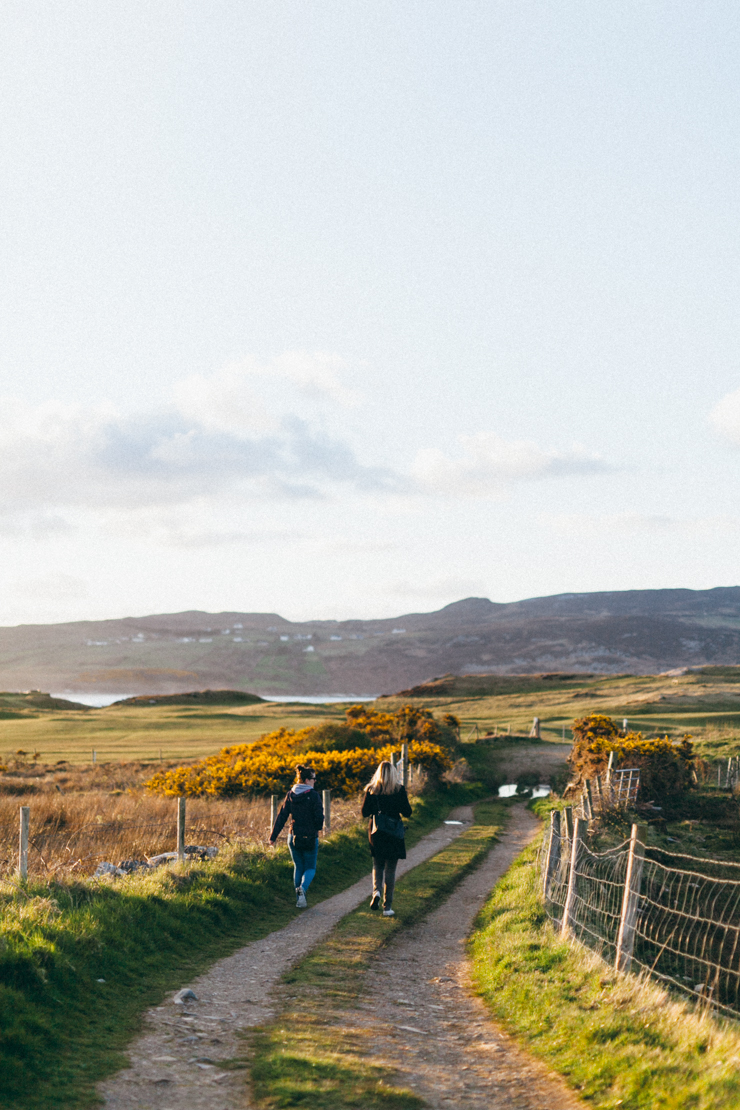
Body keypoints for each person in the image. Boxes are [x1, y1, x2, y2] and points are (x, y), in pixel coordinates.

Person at [361, 759, 412, 916]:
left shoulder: (371, 790)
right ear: (393, 774)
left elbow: (364, 812)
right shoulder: (399, 789)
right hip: (394, 832)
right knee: (391, 869)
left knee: (378, 865)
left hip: (376, 832)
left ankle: (376, 892)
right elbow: (408, 812)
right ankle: (387, 907)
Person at [269, 764, 324, 908]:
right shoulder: (313, 795)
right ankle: (303, 890)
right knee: (310, 867)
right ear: (306, 780)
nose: (315, 781)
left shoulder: (290, 794)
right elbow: (319, 817)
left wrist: (273, 837)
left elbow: (282, 816)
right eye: (313, 779)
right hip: (310, 837)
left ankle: (300, 900)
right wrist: (317, 827)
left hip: (293, 837)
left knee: (298, 867)